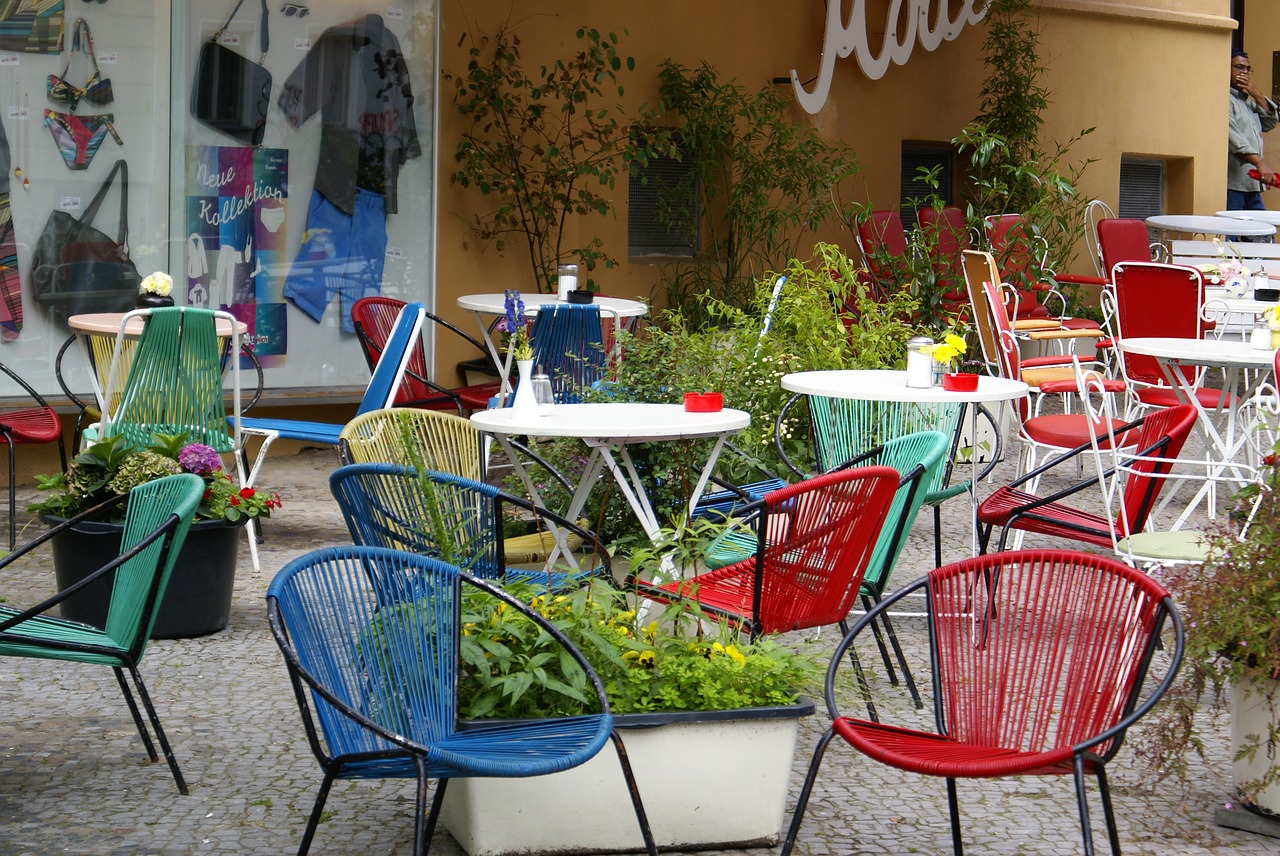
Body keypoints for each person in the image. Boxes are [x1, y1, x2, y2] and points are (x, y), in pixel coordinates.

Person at [1228, 49, 1280, 211]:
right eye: (1239, 67)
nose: (1244, 73)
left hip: (1252, 184)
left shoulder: (1246, 101)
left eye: (1247, 69)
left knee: (1261, 234)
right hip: (1233, 185)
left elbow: (1269, 122)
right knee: (1234, 234)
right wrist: (1260, 163)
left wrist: (1257, 94)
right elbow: (1235, 139)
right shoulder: (1224, 98)